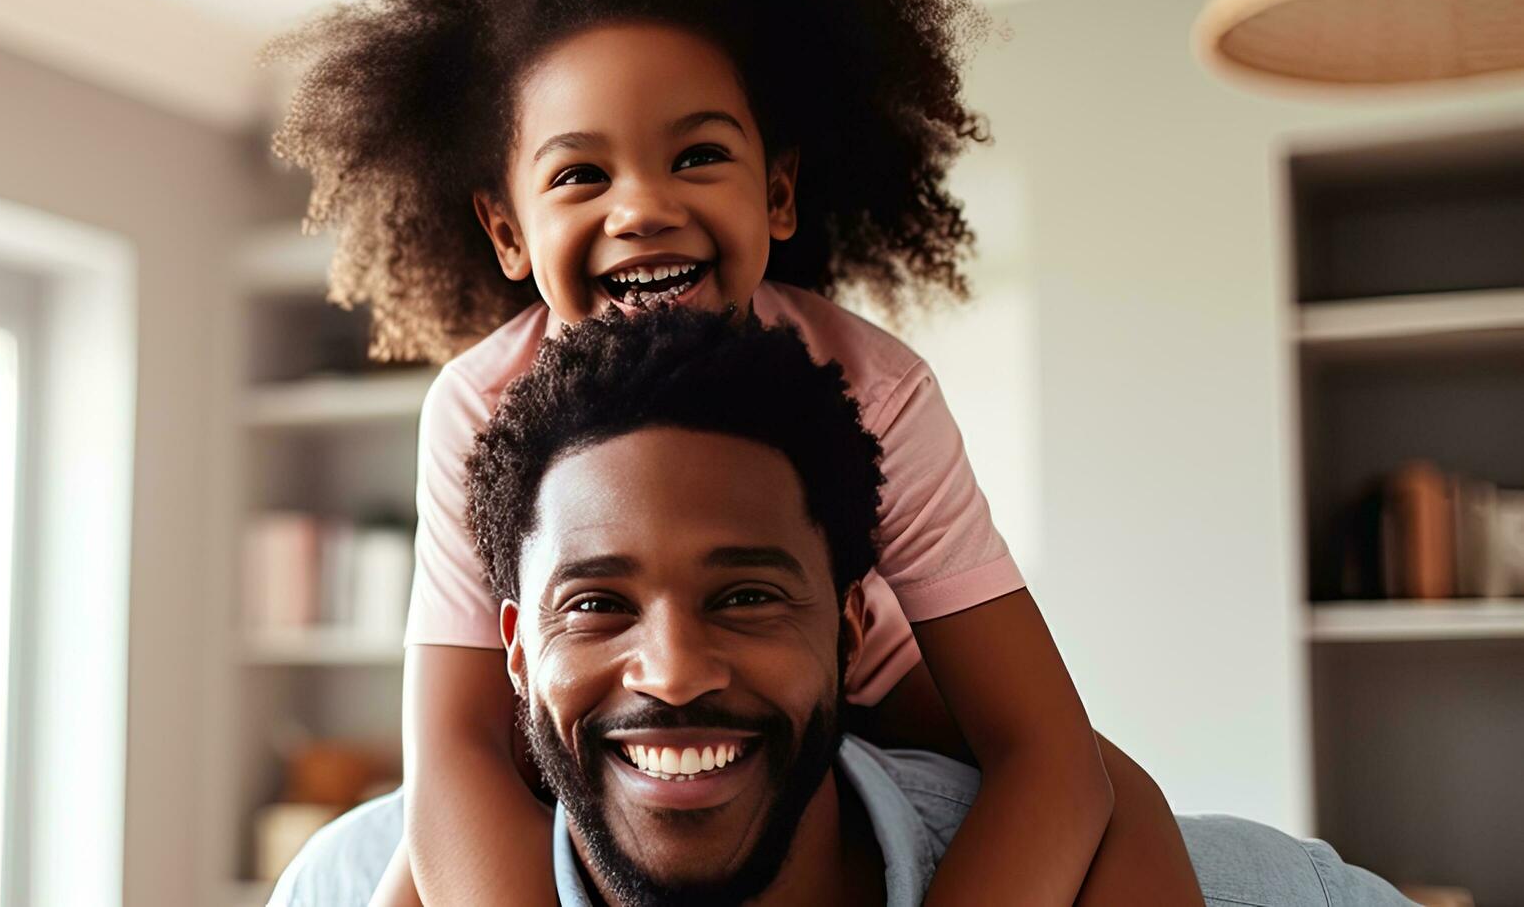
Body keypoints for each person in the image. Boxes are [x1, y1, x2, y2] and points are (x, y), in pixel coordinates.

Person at [270, 0, 1197, 901]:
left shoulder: (877, 386)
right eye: (581, 174)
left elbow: (1034, 740)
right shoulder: (475, 402)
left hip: (860, 680)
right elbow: (455, 737)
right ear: (506, 231)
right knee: (405, 864)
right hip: (580, 695)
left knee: (1109, 784)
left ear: (777, 191)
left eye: (697, 154)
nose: (641, 207)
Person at [270, 307, 1408, 907]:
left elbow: (1060, 759)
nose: (670, 667)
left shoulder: (1254, 895)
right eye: (597, 601)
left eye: (748, 593)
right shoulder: (340, 884)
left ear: (856, 622)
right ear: (510, 651)